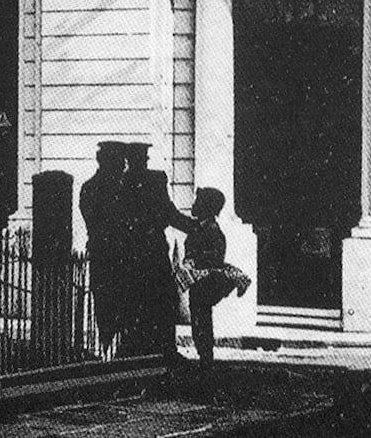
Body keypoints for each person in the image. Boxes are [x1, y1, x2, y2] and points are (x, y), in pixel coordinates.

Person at [81, 141, 194, 358]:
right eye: (121, 162)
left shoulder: (131, 184)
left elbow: (168, 213)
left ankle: (152, 352)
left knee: (153, 304)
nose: (124, 166)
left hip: (141, 257)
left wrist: (194, 227)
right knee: (124, 309)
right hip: (124, 260)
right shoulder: (110, 187)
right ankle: (122, 354)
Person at [180, 186, 252, 365]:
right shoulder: (201, 227)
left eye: (197, 201)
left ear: (206, 207)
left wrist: (195, 261)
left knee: (201, 318)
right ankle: (204, 354)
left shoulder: (211, 230)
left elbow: (215, 256)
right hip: (199, 280)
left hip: (204, 281)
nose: (193, 205)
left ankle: (206, 357)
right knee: (200, 317)